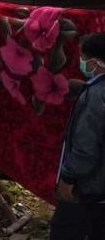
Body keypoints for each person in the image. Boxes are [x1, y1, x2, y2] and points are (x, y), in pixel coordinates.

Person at [50, 32, 105, 240]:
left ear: (95, 62)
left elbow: (86, 146)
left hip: (87, 189)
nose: (81, 63)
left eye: (83, 58)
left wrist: (69, 177)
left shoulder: (95, 95)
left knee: (65, 232)